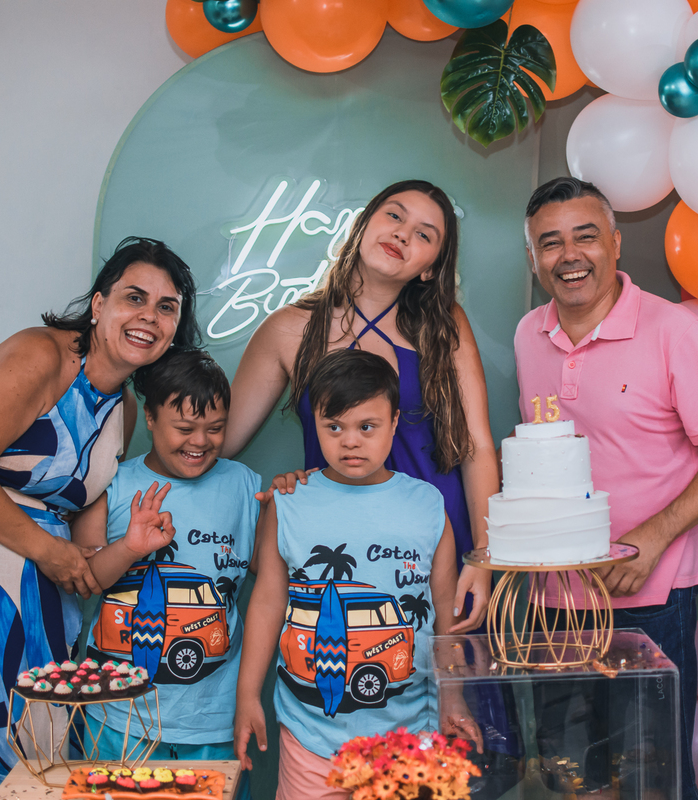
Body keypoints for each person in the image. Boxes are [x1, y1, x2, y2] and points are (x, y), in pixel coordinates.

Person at [0, 237, 199, 800]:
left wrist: (130, 547)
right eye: (135, 297)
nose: (150, 316)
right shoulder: (41, 355)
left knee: (31, 760)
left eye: (167, 307)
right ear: (98, 305)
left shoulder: (123, 408)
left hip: (37, 600)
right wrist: (49, 553)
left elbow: (85, 547)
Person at [518, 178, 698, 800]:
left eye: (585, 236)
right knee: (572, 777)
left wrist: (652, 537)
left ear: (616, 245)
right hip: (555, 601)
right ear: (534, 257)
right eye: (551, 243)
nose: (569, 255)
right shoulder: (529, 335)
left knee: (648, 778)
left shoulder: (673, 331)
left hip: (647, 598)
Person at [223, 179, 497, 628]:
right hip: (341, 551)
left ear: (430, 268)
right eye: (394, 215)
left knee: (451, 690)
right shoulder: (288, 329)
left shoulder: (445, 324)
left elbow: (478, 447)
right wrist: (270, 515)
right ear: (362, 224)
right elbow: (215, 445)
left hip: (439, 544)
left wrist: (484, 557)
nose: (404, 233)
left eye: (425, 234)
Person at [233, 350, 477, 800]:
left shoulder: (427, 505)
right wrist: (247, 695)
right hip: (309, 737)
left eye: (367, 426)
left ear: (395, 421)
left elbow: (446, 616)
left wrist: (453, 697)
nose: (350, 442)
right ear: (316, 425)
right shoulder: (289, 502)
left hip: (409, 736)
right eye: (334, 427)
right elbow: (268, 602)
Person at [70, 348, 259, 783]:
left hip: (212, 722)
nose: (200, 442)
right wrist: (131, 547)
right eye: (184, 428)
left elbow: (273, 580)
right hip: (117, 718)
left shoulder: (244, 486)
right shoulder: (110, 485)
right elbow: (86, 581)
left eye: (215, 429)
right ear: (151, 418)